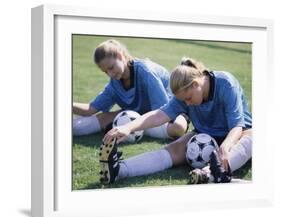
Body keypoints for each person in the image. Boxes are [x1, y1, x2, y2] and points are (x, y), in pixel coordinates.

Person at [100, 57, 252, 184]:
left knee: (252, 139)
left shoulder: (226, 83)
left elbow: (237, 125)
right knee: (171, 150)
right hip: (204, 133)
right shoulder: (185, 95)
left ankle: (208, 174)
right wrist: (128, 127)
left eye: (188, 98)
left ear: (196, 84)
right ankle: (119, 170)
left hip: (239, 132)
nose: (186, 104)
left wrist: (225, 146)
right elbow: (159, 115)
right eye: (183, 101)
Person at [73, 39, 188, 139]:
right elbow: (90, 109)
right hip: (136, 116)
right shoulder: (114, 84)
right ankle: (128, 126)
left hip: (164, 113)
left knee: (178, 128)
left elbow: (163, 113)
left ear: (120, 55)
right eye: (105, 72)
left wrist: (128, 123)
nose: (110, 74)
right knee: (79, 126)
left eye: (111, 68)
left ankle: (126, 126)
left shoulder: (146, 72)